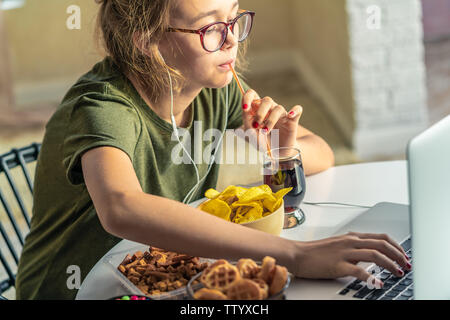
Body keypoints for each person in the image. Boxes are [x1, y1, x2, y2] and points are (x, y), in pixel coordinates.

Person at [16, 0, 410, 300]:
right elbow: (121, 207)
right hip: (78, 287)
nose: (232, 40)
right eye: (211, 29)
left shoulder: (209, 88)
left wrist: (280, 150)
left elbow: (322, 152)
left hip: (161, 275)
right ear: (148, 41)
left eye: (235, 18)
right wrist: (296, 254)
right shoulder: (101, 106)